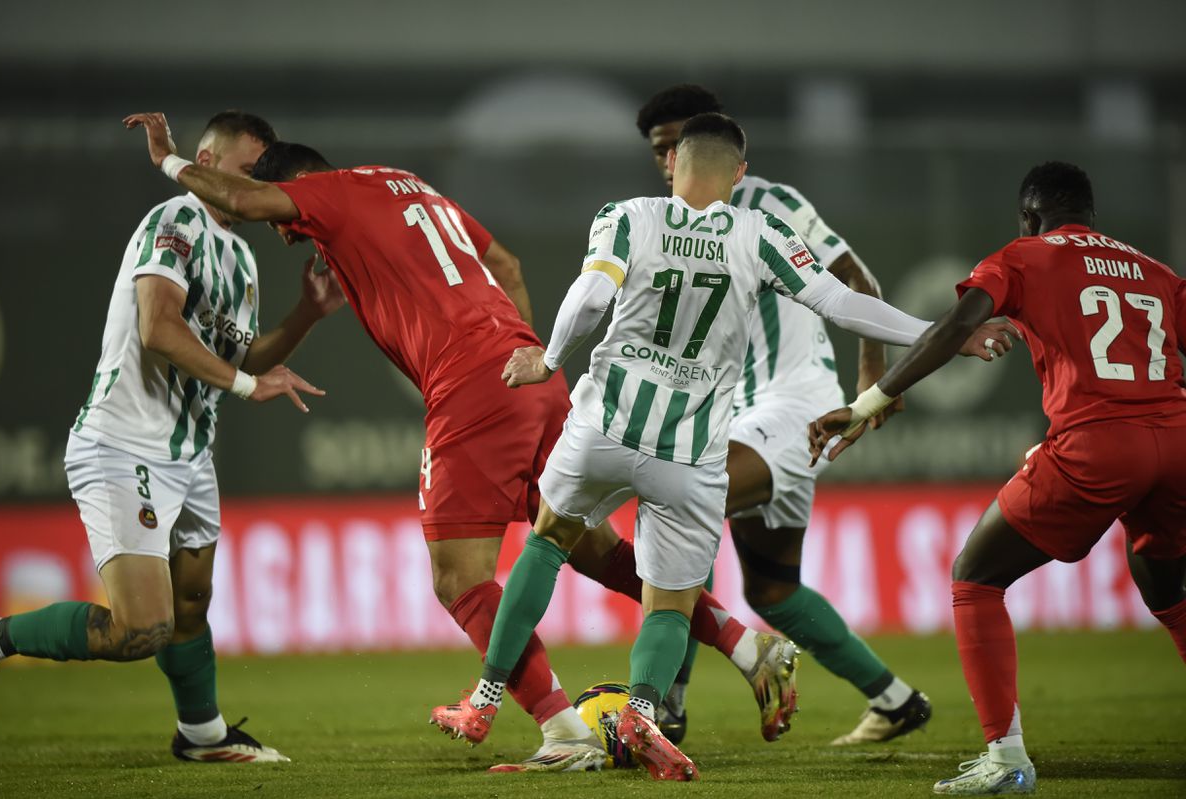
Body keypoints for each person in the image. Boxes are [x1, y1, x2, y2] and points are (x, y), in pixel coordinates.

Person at [119, 112, 807, 773]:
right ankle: (747, 646)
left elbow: (239, 194)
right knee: (589, 545)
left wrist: (168, 160)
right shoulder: (406, 184)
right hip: (527, 370)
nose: (285, 234)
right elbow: (503, 262)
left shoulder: (326, 194)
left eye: (283, 221)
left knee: (459, 576)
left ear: (297, 187)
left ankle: (562, 728)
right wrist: (524, 360)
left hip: (471, 385)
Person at [433, 113, 1013, 781]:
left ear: (673, 163)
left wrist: (549, 356)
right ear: (739, 174)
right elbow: (840, 300)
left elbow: (590, 296)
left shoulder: (626, 216)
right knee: (671, 600)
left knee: (547, 541)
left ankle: (482, 702)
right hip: (690, 452)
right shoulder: (759, 233)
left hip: (605, 426)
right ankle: (645, 711)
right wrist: (947, 332)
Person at [807, 161, 1186, 795]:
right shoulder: (1157, 271)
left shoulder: (1025, 255)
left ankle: (1005, 758)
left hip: (1096, 446)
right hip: (1177, 443)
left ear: (1030, 218)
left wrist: (869, 400)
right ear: (1090, 214)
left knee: (974, 576)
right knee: (1168, 589)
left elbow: (955, 326)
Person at [0, 111, 341, 763]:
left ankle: (202, 735)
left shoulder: (239, 255)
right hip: (125, 445)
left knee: (189, 604)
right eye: (247, 169)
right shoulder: (175, 223)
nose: (257, 185)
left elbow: (243, 353)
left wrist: (306, 316)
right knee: (139, 628)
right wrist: (240, 385)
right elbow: (158, 327)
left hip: (189, 455)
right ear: (204, 160)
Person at [634, 84, 928, 745]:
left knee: (683, 500)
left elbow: (859, 282)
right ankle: (896, 698)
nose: (669, 161)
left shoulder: (771, 202)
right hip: (742, 419)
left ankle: (666, 706)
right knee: (773, 592)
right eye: (659, 151)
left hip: (794, 408)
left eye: (679, 145)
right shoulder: (666, 224)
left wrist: (871, 381)